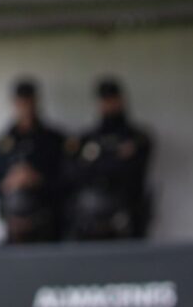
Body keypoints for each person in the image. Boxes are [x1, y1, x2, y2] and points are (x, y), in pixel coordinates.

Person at [64, 77, 154, 241]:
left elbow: (130, 171)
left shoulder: (137, 138)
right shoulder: (86, 139)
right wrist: (113, 159)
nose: (108, 104)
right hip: (88, 218)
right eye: (104, 100)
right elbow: (73, 172)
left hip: (125, 214)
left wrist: (96, 163)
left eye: (112, 99)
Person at [0, 78, 66, 244]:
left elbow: (68, 179)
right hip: (14, 225)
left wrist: (37, 179)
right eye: (21, 103)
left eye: (29, 102)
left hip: (48, 224)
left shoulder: (52, 139)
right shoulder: (5, 141)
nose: (25, 108)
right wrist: (8, 183)